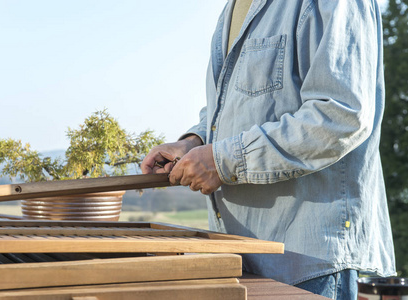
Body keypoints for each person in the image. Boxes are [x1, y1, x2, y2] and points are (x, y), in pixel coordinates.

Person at [141, 0, 396, 298]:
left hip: (306, 264)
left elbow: (341, 116)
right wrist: (194, 142)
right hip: (238, 257)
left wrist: (223, 161)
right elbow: (234, 109)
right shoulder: (233, 7)